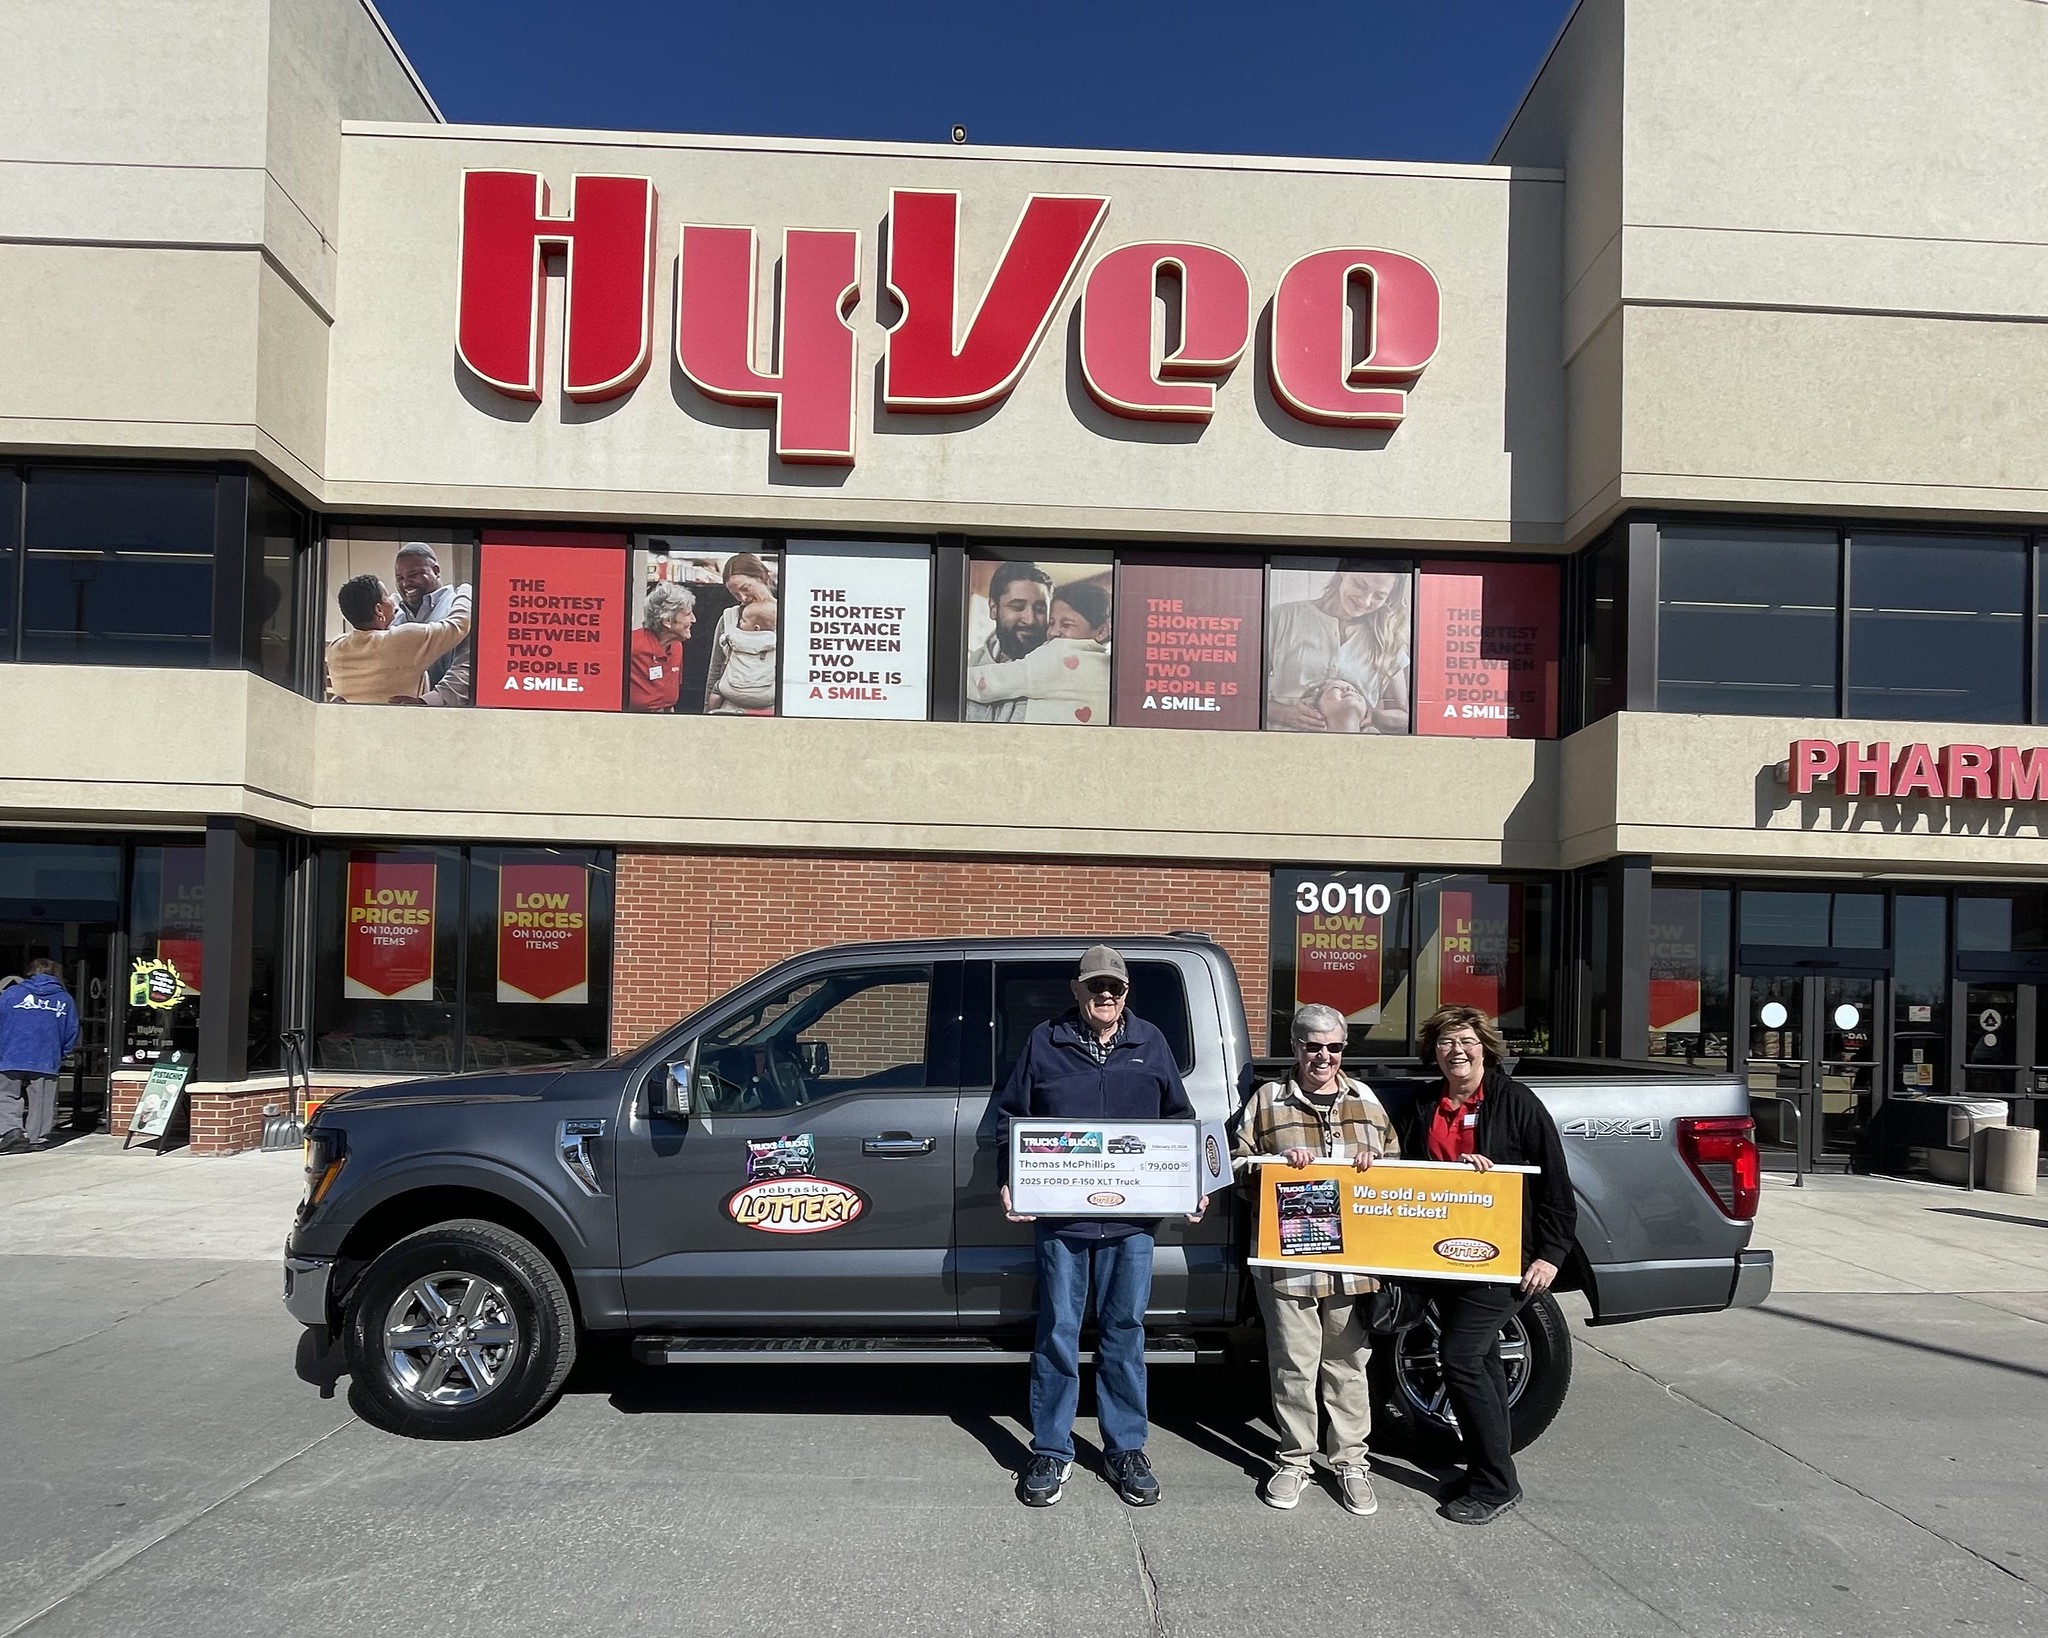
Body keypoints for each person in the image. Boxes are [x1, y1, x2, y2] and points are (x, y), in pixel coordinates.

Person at [997, 944, 1203, 1508]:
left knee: (1124, 1334)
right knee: (1058, 1333)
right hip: (1064, 1221)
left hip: (1131, 1224)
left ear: (1126, 993)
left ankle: (1125, 1449)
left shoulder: (1151, 1043)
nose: (1105, 995)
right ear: (1077, 990)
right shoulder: (1046, 1040)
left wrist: (1190, 1184)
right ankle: (1051, 1448)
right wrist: (1010, 1176)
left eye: (1114, 987)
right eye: (1094, 986)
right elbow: (1010, 1116)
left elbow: (1179, 1122)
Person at [1394, 1004, 1575, 1526]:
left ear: (1485, 1047)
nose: (1458, 1051)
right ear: (1435, 1052)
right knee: (1487, 1365)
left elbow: (1555, 1185)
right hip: (1444, 1255)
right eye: (1448, 1042)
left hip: (1504, 1259)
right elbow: (1404, 1172)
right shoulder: (1424, 1104)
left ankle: (1495, 1484)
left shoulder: (1515, 1103)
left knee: (1461, 1357)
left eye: (1467, 1041)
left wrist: (1550, 1254)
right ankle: (1488, 1473)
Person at [1232, 1003, 1396, 1515]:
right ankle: (1295, 1459)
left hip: (1352, 1260)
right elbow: (1235, 1166)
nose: (1323, 1055)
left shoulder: (1367, 1101)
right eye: (1312, 1045)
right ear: (1295, 1047)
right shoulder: (1267, 1100)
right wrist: (1272, 1167)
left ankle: (1351, 1462)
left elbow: (1398, 1169)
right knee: (1293, 1364)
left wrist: (1377, 1168)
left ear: (1345, 1049)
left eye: (1334, 1046)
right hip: (1288, 1260)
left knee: (1348, 1363)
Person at [1264, 565, 1411, 733]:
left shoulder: (1387, 639)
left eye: (1379, 596)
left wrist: (1374, 716)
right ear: (1343, 570)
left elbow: (1404, 718)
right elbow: (1242, 694)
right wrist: (1283, 714)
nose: (1366, 601)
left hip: (1357, 751)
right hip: (1284, 747)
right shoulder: (1282, 617)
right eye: (1360, 585)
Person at [964, 581, 1110, 726]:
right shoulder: (1109, 667)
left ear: (1102, 631)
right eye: (1051, 623)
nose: (1053, 632)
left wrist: (955, 678)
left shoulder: (1060, 654)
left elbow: (995, 681)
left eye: (1066, 625)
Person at [324, 574, 472, 704]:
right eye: (387, 596)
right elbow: (459, 624)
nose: (393, 601)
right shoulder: (402, 640)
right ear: (378, 609)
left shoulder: (336, 647)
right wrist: (467, 589)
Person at [0, 958, 79, 1154]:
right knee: (42, 1099)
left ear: (30, 972)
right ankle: (38, 1137)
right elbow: (72, 1030)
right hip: (46, 1056)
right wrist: (64, 1052)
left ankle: (12, 1129)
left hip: (11, 1053)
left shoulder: (11, 994)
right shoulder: (64, 999)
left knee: (6, 1095)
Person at [964, 561, 1052, 722]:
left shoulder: (1059, 667)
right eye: (1017, 606)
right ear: (993, 608)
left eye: (1040, 609)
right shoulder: (969, 666)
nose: (1030, 619)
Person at [389, 543, 472, 697]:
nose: (406, 583)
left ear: (436, 571)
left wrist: (426, 702)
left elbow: (465, 669)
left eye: (413, 575)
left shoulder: (460, 608)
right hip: (395, 713)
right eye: (400, 578)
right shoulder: (393, 615)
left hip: (447, 715)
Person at [705, 553, 779, 714]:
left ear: (763, 577)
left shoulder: (788, 617)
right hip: (730, 710)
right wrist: (706, 715)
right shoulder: (729, 618)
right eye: (735, 594)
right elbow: (716, 668)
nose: (743, 598)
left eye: (745, 589)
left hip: (774, 712)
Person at [629, 582, 698, 712]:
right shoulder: (632, 646)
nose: (693, 619)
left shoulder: (676, 646)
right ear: (667, 621)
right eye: (688, 614)